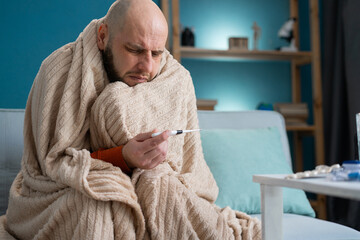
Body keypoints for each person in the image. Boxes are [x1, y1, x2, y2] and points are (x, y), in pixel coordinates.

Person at [2, 0, 261, 239]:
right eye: (135, 50)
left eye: (157, 53)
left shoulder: (176, 80)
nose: (147, 66)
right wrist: (123, 157)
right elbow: (52, 167)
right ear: (103, 36)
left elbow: (187, 172)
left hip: (149, 188)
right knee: (97, 203)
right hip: (56, 194)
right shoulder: (61, 70)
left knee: (159, 185)